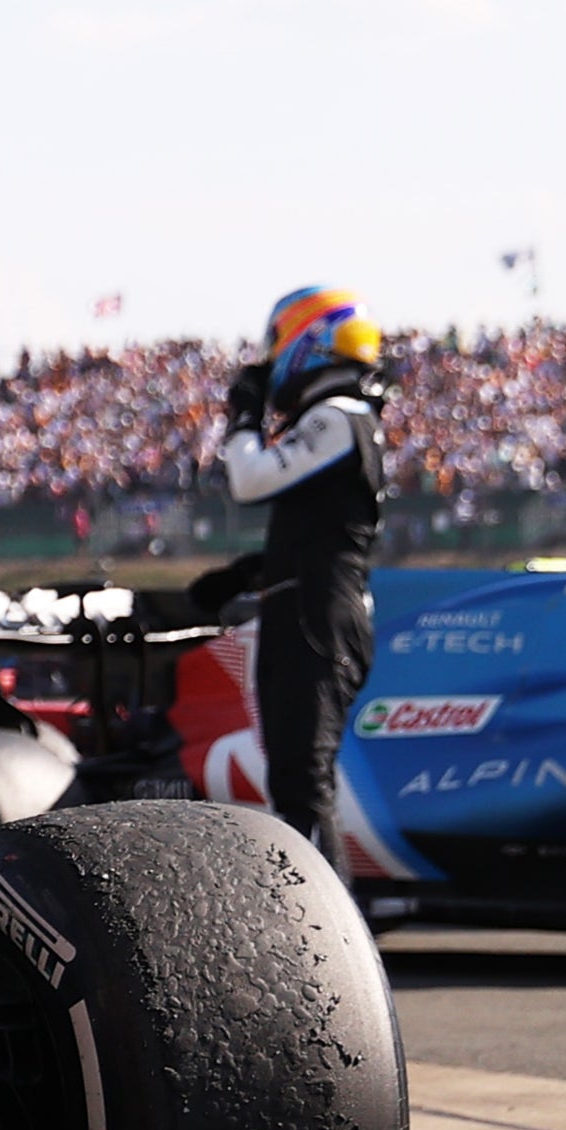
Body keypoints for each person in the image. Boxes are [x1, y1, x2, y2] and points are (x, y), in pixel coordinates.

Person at [217, 286, 386, 871]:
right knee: (295, 780)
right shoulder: (340, 418)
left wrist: (243, 416)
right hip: (309, 610)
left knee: (303, 787)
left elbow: (250, 479)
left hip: (318, 619)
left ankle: (327, 944)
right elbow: (320, 529)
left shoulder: (340, 416)